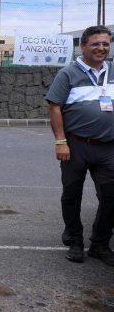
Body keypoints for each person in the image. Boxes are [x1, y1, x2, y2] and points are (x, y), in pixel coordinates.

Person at [46, 25, 114, 265]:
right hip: (76, 145)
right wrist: (60, 141)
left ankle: (100, 244)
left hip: (108, 147)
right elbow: (55, 107)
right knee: (72, 194)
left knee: (110, 197)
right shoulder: (68, 74)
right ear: (83, 46)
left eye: (105, 44)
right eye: (95, 44)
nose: (101, 48)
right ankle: (74, 240)